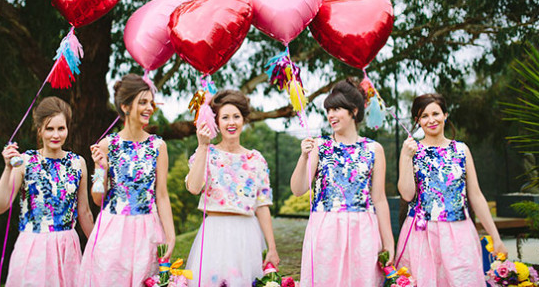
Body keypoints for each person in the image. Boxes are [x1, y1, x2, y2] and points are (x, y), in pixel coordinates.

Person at [396, 93, 508, 286]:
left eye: (436, 113)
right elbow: (407, 194)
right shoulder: (411, 151)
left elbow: (476, 195)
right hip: (421, 234)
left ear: (445, 115)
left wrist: (495, 238)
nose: (431, 120)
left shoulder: (461, 150)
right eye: (424, 116)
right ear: (417, 121)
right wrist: (406, 157)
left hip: (458, 233)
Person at [290, 78, 393, 286]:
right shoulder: (320, 146)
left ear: (353, 111)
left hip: (363, 228)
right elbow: (298, 189)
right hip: (325, 228)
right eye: (329, 110)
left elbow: (379, 199)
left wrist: (389, 242)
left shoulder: (374, 149)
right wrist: (303, 158)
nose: (330, 115)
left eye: (336, 109)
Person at [78, 74, 175, 286]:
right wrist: (101, 168)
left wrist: (171, 235)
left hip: (148, 231)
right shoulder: (106, 145)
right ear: (125, 106)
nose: (149, 107)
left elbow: (162, 195)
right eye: (142, 102)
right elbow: (97, 198)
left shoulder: (158, 146)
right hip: (113, 231)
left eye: (151, 102)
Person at [0, 96, 94, 287]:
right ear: (39, 130)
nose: (55, 135)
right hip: (33, 249)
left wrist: (100, 247)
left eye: (61, 128)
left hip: (67, 252)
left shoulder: (78, 163)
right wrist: (7, 168)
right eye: (49, 128)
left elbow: (84, 212)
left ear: (67, 129)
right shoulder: (24, 162)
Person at [185, 90, 279, 287]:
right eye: (225, 117)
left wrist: (272, 247)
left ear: (243, 120)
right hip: (215, 233)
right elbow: (193, 188)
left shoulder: (256, 159)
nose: (231, 122)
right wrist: (203, 146)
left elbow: (262, 205)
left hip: (247, 234)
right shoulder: (206, 153)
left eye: (236, 116)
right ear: (216, 122)